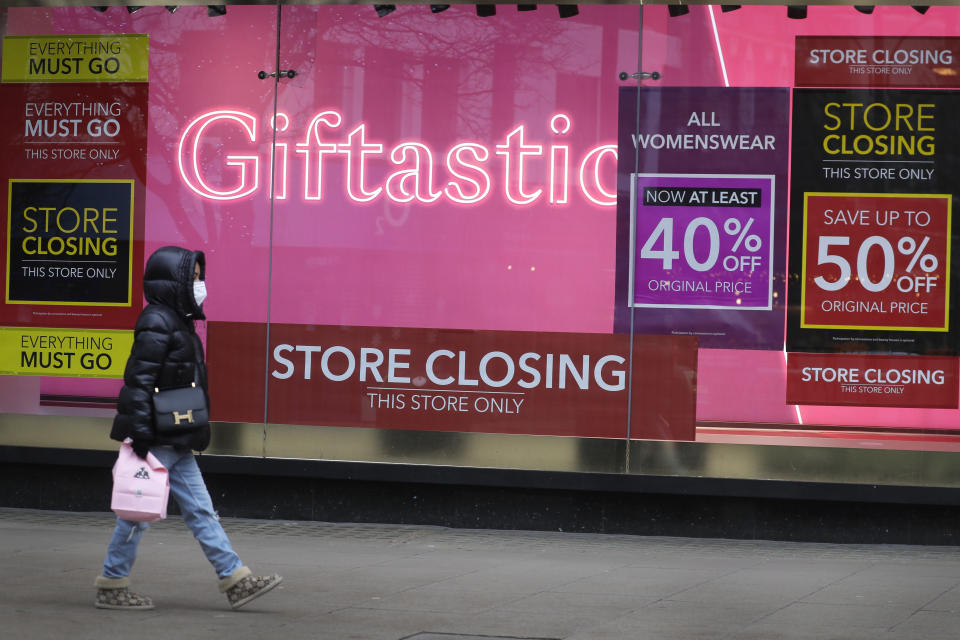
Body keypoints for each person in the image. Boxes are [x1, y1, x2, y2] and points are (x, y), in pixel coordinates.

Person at [95, 246, 282, 611]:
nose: (199, 284)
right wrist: (142, 434)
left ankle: (235, 579)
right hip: (158, 437)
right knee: (138, 513)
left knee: (201, 511)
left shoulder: (177, 320)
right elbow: (139, 379)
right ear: (174, 281)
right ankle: (112, 583)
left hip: (176, 436)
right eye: (193, 277)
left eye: (199, 277)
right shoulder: (158, 321)